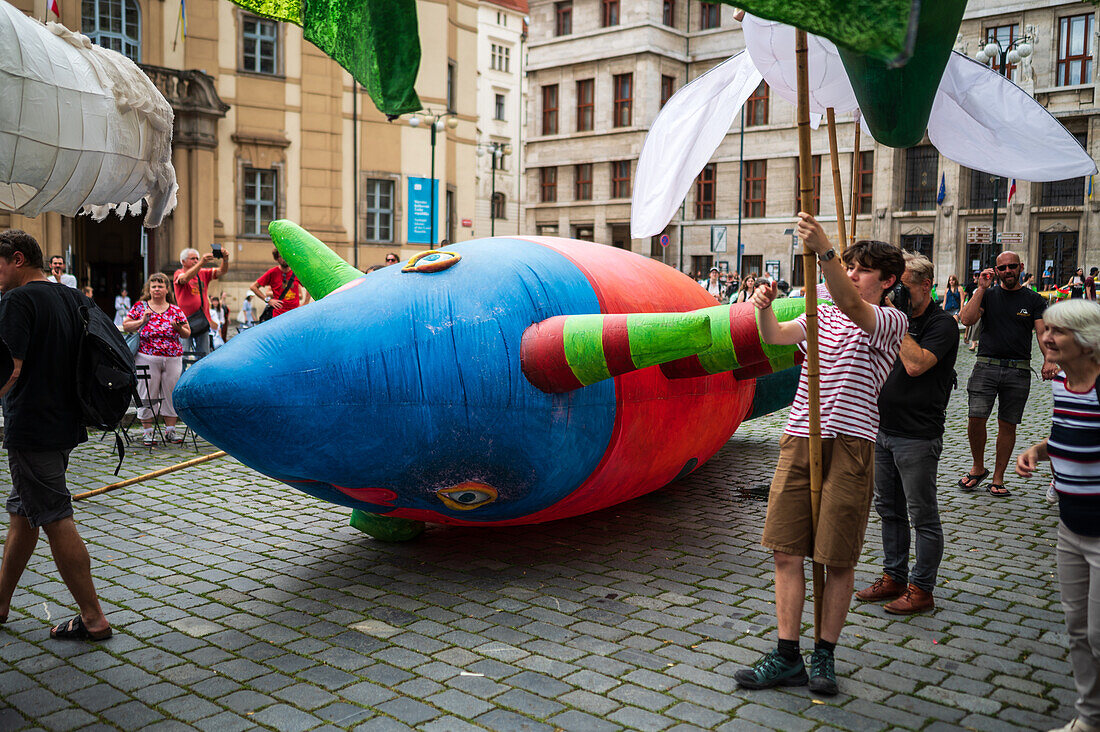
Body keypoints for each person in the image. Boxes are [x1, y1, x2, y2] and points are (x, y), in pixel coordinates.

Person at [734, 212, 907, 696]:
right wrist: (762, 305)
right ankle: (787, 654)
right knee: (786, 550)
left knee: (837, 558)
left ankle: (824, 655)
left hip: (852, 446)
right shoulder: (819, 313)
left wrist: (827, 251)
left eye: (863, 269)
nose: (851, 274)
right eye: (848, 266)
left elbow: (853, 305)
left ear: (887, 280)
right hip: (800, 437)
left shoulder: (889, 320)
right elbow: (772, 336)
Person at [0, 230, 111, 641]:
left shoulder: (17, 300)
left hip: (33, 425)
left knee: (54, 516)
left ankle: (94, 618)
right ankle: (1, 602)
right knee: (24, 513)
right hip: (65, 423)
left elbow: (9, 368)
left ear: (16, 259)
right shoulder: (70, 297)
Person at [856, 252, 959, 615]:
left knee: (922, 515)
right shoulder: (891, 317)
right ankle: (894, 576)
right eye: (894, 285)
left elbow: (915, 365)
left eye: (905, 286)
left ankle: (922, 588)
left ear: (926, 285)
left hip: (917, 435)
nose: (898, 292)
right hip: (883, 429)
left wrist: (894, 320)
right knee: (889, 510)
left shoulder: (942, 324)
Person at [1015, 299, 1100, 732]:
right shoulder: (1063, 383)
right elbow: (1064, 432)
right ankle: (1089, 719)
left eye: (1058, 332)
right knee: (1079, 630)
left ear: (1087, 342)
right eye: (1046, 330)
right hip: (1070, 527)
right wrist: (1036, 450)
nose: (1046, 339)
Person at [957, 251, 1054, 496]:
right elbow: (967, 320)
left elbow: (1042, 333)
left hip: (1018, 370)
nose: (1008, 271)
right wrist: (980, 288)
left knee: (1007, 425)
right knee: (975, 418)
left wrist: (1049, 360)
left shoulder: (1034, 300)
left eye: (1012, 266)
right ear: (996, 271)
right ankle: (978, 467)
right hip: (985, 365)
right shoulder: (987, 296)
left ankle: (998, 478)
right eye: (1003, 268)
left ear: (1020, 267)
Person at [122, 274, 190, 447]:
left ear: (167, 289)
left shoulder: (175, 310)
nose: (157, 289)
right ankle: (147, 432)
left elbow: (187, 332)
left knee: (170, 392)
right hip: (147, 356)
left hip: (172, 357)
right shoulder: (140, 307)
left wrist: (178, 328)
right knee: (147, 392)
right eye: (154, 286)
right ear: (149, 289)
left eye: (160, 286)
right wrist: (141, 321)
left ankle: (171, 431)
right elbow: (126, 325)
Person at [174, 246, 229, 358]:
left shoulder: (203, 273)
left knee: (203, 355)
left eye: (197, 259)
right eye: (192, 259)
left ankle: (202, 375)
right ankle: (182, 375)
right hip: (184, 322)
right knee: (183, 356)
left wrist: (225, 259)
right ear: (183, 261)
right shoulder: (178, 273)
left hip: (202, 320)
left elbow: (222, 271)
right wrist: (201, 263)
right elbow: (184, 279)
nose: (196, 261)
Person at [250, 248, 310, 319]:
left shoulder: (296, 272)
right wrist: (268, 300)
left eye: (286, 256)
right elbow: (253, 287)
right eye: (281, 256)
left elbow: (309, 285)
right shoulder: (272, 273)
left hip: (295, 314)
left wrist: (305, 303)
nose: (284, 258)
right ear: (276, 258)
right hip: (278, 315)